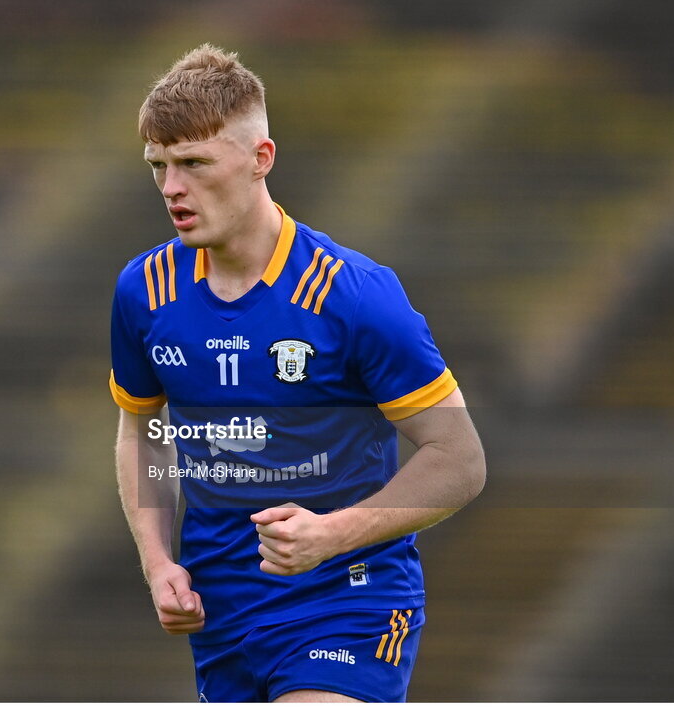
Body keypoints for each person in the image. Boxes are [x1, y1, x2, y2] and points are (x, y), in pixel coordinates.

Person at [109, 44, 485, 703]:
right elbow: (140, 431)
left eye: (193, 164)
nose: (171, 187)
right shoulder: (145, 290)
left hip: (351, 601)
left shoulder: (354, 296)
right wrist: (158, 559)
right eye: (159, 166)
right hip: (223, 619)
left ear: (261, 160)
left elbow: (459, 459)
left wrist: (330, 534)